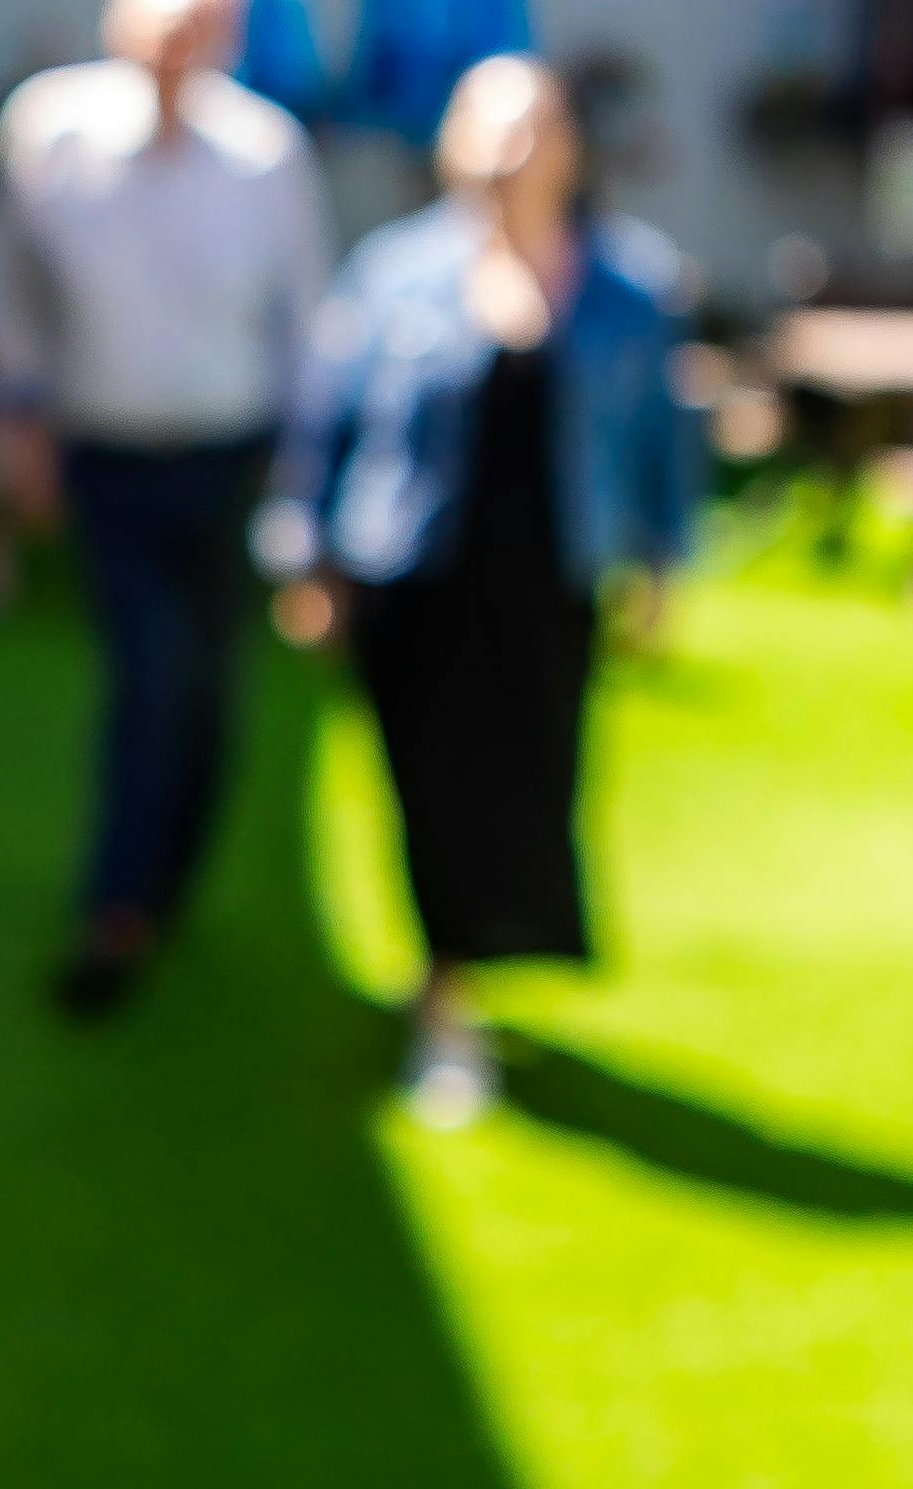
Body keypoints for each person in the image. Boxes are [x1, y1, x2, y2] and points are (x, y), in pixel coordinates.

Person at [260, 54, 692, 1127]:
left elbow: (663, 443)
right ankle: (443, 991)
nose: (509, 151)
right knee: (430, 786)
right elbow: (327, 420)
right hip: (416, 570)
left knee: (533, 778)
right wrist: (306, 554)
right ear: (451, 142)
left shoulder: (628, 286)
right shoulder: (395, 273)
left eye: (532, 127)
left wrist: (665, 564)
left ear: (571, 147)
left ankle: (495, 950)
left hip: (552, 573)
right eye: (488, 127)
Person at [0, 0, 331, 1015]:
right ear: (118, 22)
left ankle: (165, 879)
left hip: (228, 457)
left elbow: (304, 322)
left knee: (211, 697)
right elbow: (18, 296)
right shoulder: (51, 131)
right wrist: (23, 426)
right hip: (109, 455)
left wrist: (304, 490)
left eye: (200, 29)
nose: (178, 50)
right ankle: (118, 909)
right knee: (150, 678)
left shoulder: (267, 154)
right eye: (161, 25)